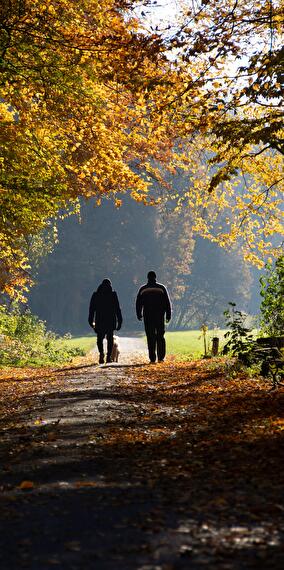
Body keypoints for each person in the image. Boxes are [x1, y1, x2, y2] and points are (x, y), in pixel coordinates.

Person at [136, 271, 171, 363]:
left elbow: (138, 303)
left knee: (150, 336)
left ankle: (152, 358)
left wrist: (139, 314)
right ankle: (161, 357)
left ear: (147, 277)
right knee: (160, 336)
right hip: (159, 315)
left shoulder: (143, 289)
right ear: (155, 277)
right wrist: (168, 314)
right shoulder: (161, 288)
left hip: (148, 316)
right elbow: (167, 302)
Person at [88, 279, 122, 364]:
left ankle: (101, 354)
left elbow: (91, 309)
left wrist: (90, 321)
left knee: (99, 338)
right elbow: (118, 309)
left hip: (99, 320)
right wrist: (120, 321)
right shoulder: (113, 294)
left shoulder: (96, 295)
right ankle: (108, 356)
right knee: (110, 339)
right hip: (110, 320)